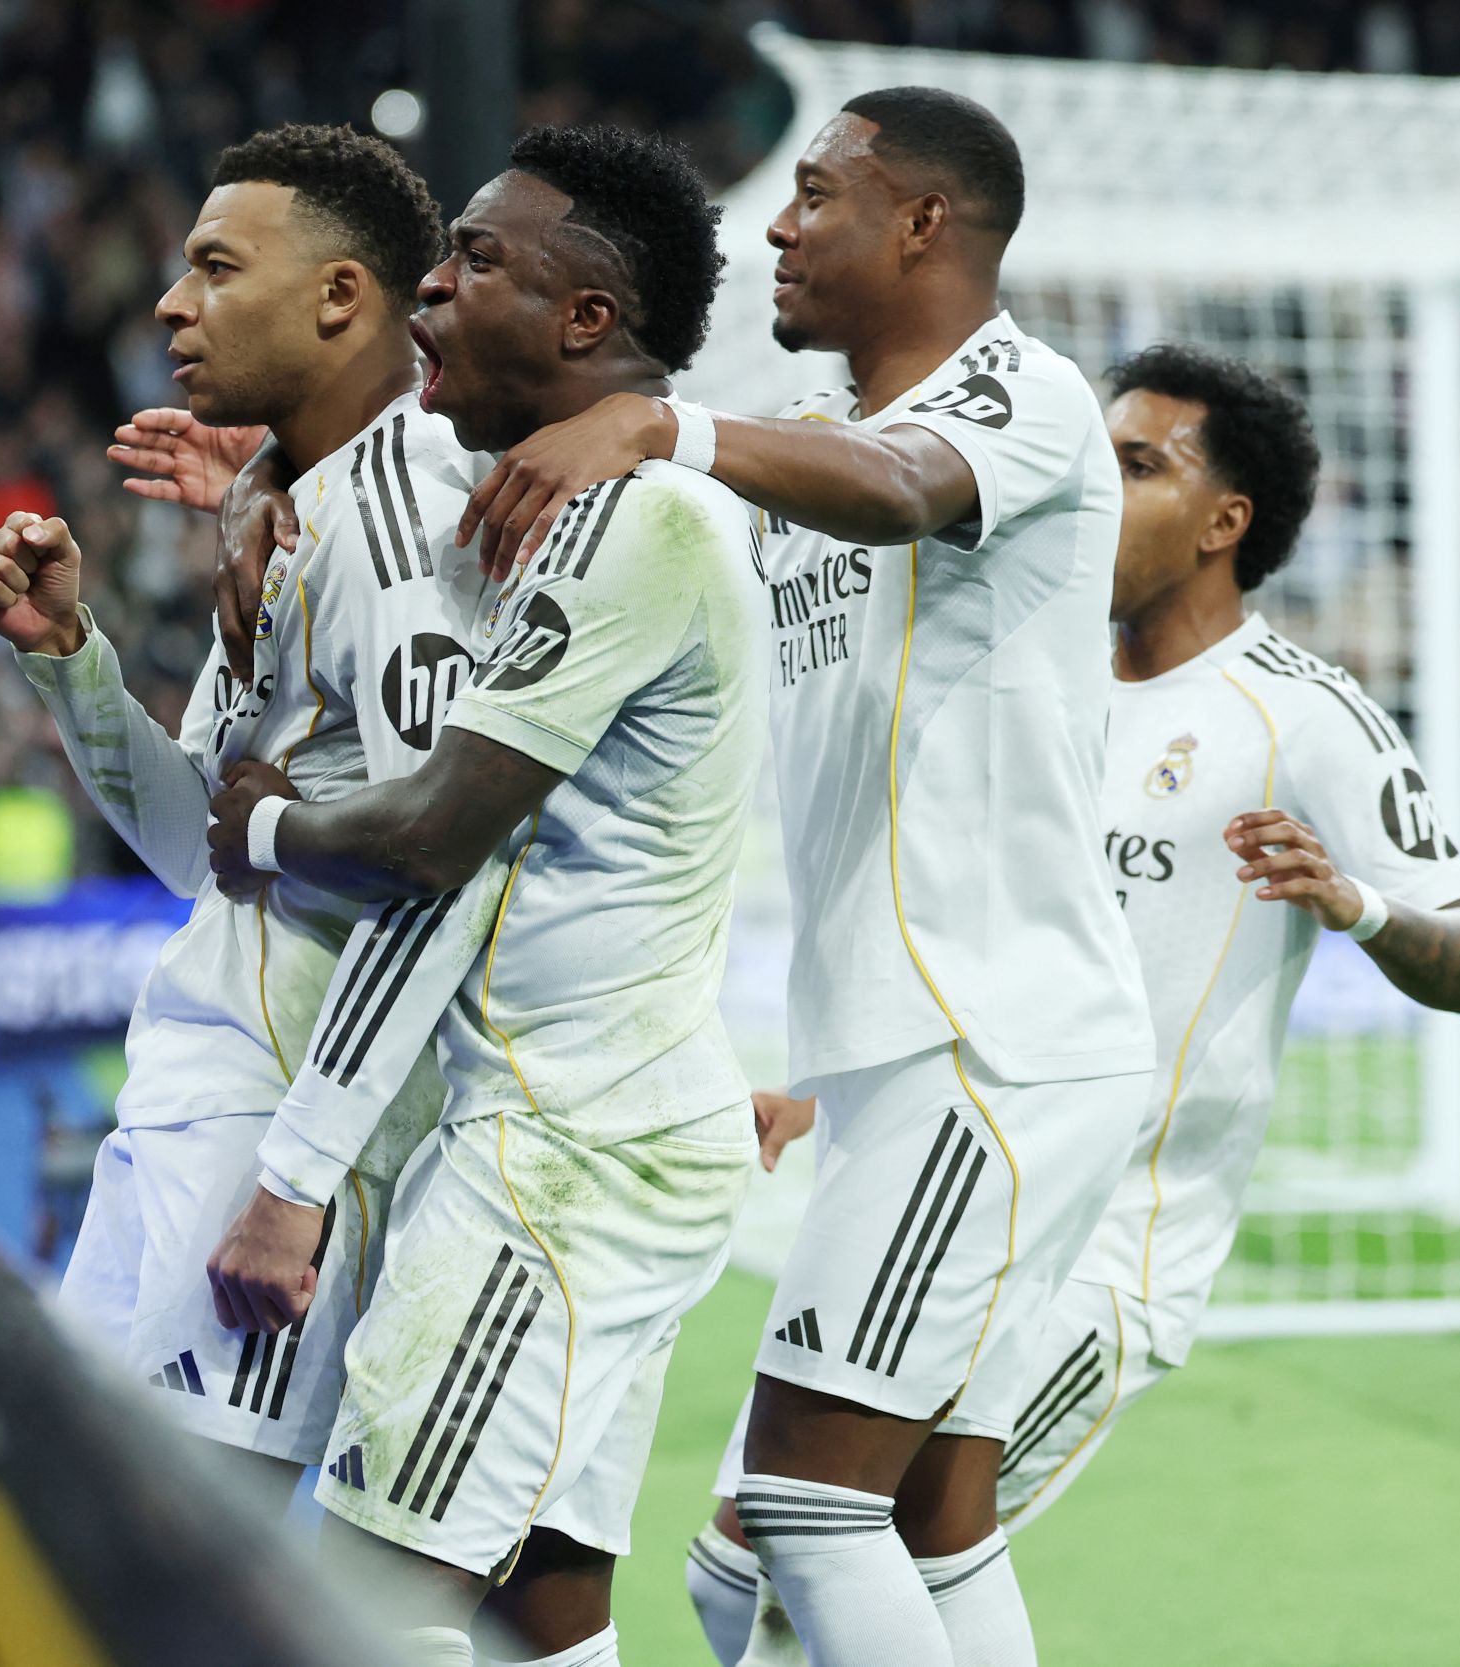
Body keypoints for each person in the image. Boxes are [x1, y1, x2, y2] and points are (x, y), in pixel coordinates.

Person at [357, 88, 1158, 1667]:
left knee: (802, 1506)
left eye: (817, 193)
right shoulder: (810, 443)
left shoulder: (1021, 390)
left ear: (922, 223)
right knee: (926, 1520)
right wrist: (299, 479)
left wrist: (669, 427)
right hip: (904, 1050)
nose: (779, 226)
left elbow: (908, 486)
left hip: (991, 1036)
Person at [684, 344, 1460, 1663]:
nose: (1096, 483)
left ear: (1225, 522)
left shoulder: (1301, 715)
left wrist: (1356, 903)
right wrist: (829, 1092)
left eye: (1138, 464)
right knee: (744, 1564)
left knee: (825, 1553)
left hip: (1105, 1251)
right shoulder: (1032, 676)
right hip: (948, 1188)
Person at [201, 124, 758, 1667]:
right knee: (544, 1605)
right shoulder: (546, 501)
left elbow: (433, 837)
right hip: (597, 1130)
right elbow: (371, 460)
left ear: (586, 320)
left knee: (376, 1607)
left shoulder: (640, 522)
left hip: (570, 1158)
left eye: (479, 259)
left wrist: (264, 829)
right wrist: (263, 477)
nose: (432, 287)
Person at [0, 124, 479, 1497]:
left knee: (176, 1556)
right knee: (76, 1535)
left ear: (340, 295)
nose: (170, 304)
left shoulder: (408, 528)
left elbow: (438, 870)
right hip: (189, 1093)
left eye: (216, 267)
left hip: (280, 1119)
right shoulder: (288, 518)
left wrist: (298, 1176)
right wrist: (70, 661)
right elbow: (201, 850)